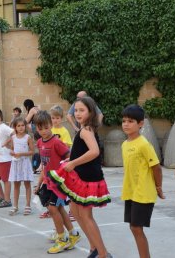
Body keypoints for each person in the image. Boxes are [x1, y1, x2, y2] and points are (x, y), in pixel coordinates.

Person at [48, 97, 111, 258]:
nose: (77, 113)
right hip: (80, 176)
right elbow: (84, 151)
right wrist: (72, 159)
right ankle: (93, 247)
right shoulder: (83, 129)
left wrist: (73, 163)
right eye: (76, 110)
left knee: (86, 216)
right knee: (75, 212)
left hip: (87, 178)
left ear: (90, 112)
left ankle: (103, 254)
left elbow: (94, 152)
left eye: (82, 110)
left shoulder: (86, 130)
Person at [121, 105, 165, 258]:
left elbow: (156, 167)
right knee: (133, 228)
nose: (126, 124)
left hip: (143, 193)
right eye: (124, 121)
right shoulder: (124, 144)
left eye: (131, 121)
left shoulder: (144, 144)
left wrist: (158, 187)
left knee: (136, 228)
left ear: (141, 123)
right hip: (131, 192)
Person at [33, 110, 80, 254]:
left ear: (51, 124)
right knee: (58, 209)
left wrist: (64, 174)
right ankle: (73, 235)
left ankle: (62, 239)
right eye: (40, 129)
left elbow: (69, 157)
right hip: (48, 182)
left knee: (53, 209)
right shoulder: (40, 142)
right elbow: (44, 165)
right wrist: (39, 183)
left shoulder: (56, 142)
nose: (44, 131)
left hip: (59, 182)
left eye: (46, 127)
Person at [50, 105, 75, 222]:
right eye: (53, 118)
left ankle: (72, 211)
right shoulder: (49, 130)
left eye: (57, 118)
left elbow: (68, 146)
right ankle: (53, 207)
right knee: (53, 187)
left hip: (62, 163)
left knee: (66, 187)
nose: (55, 120)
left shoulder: (64, 131)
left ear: (61, 118)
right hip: (52, 163)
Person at [7, 117, 34, 216]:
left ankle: (28, 205)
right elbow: (13, 149)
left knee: (27, 184)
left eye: (22, 125)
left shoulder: (28, 137)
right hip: (16, 163)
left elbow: (32, 151)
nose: (21, 127)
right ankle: (15, 206)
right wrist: (12, 152)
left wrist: (21, 154)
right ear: (15, 127)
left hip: (25, 163)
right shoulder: (13, 138)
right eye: (18, 126)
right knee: (16, 185)